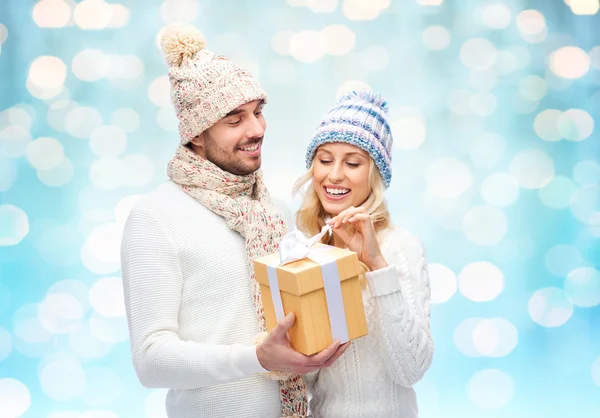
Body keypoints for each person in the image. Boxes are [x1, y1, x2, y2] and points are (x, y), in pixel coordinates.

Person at [120, 24, 346, 418]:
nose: (257, 129)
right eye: (234, 119)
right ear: (195, 135)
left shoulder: (275, 212)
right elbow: (151, 360)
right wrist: (257, 358)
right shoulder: (155, 219)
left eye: (258, 112)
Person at [293, 91, 435, 417]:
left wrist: (375, 265)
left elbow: (411, 369)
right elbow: (307, 379)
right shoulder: (307, 248)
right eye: (325, 159)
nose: (334, 175)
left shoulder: (399, 246)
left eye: (353, 163)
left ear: (375, 175)